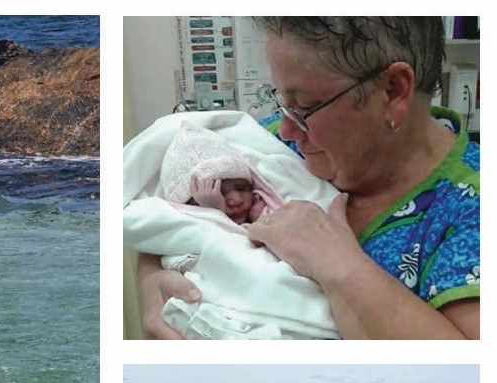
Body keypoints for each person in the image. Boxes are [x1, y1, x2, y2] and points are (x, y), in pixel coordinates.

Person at [135, 17, 479, 339]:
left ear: (392, 90)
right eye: (282, 102)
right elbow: (170, 207)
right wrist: (151, 278)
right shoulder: (266, 144)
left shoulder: (471, 208)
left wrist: (335, 263)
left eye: (304, 107)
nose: (285, 128)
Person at [124, 115, 341, 339]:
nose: (235, 199)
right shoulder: (280, 132)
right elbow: (172, 236)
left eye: (241, 188)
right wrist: (213, 212)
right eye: (219, 192)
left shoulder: (268, 203)